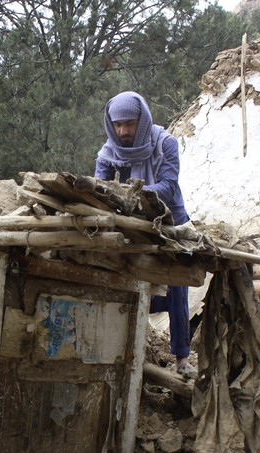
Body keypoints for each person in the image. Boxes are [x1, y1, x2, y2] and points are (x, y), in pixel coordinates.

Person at [94, 91, 196, 378]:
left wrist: (130, 193)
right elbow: (99, 187)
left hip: (169, 223)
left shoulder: (165, 143)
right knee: (122, 279)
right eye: (118, 125)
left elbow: (168, 186)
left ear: (142, 120)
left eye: (129, 124)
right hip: (132, 225)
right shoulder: (109, 151)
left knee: (177, 285)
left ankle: (181, 358)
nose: (124, 131)